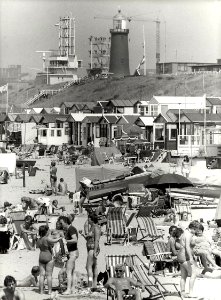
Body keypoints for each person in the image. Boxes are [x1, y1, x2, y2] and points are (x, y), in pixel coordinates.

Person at [174, 222, 200, 298]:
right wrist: (191, 258)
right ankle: (191, 293)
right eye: (196, 230)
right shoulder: (188, 235)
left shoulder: (184, 233)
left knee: (183, 276)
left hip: (181, 256)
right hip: (185, 257)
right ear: (193, 228)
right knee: (194, 274)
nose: (196, 232)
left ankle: (182, 293)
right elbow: (187, 247)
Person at [36, 225, 61, 295]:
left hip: (41, 257)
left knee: (41, 275)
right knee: (49, 275)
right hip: (48, 257)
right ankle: (49, 291)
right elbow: (55, 240)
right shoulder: (46, 239)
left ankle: (41, 291)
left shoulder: (39, 240)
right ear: (46, 231)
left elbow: (38, 246)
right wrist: (60, 238)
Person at [58, 215, 79, 295]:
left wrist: (65, 241)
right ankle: (72, 288)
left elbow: (75, 239)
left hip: (73, 252)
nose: (61, 225)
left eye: (61, 223)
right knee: (72, 271)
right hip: (73, 252)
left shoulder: (71, 229)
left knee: (68, 271)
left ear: (65, 222)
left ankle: (69, 289)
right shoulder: (68, 229)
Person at [82, 212, 101, 290]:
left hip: (93, 248)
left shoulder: (96, 227)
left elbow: (97, 240)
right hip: (91, 247)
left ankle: (90, 285)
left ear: (91, 219)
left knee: (88, 267)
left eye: (88, 219)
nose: (87, 220)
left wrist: (95, 251)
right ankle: (94, 284)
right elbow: (88, 238)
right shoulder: (92, 227)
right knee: (93, 266)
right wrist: (83, 235)